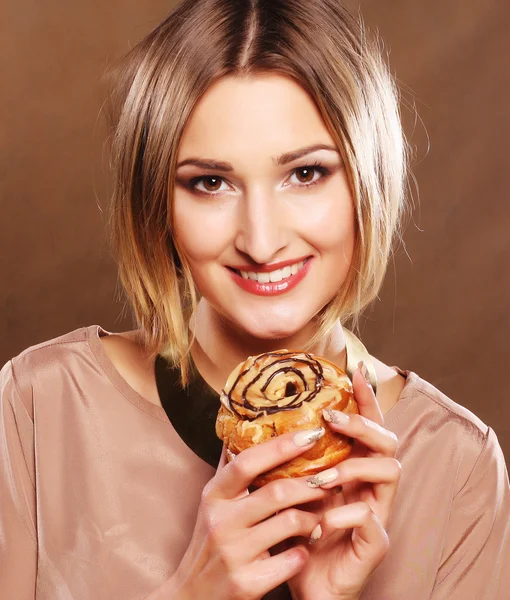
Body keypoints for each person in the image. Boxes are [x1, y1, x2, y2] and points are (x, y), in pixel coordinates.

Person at [1, 0, 509, 598]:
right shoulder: (41, 409)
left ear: (367, 179)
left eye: (306, 174)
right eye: (210, 183)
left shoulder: (455, 465)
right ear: (158, 204)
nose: (261, 241)